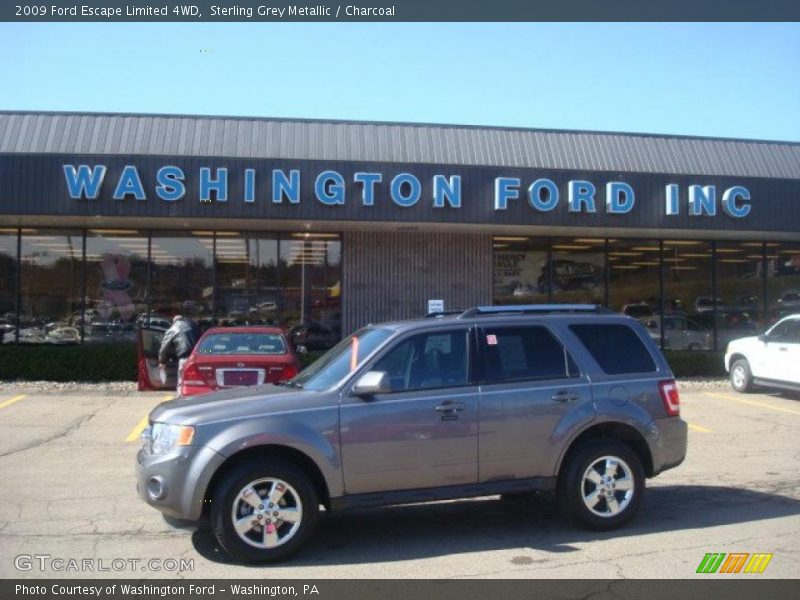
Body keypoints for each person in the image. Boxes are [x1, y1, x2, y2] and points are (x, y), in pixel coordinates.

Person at [158, 315, 198, 388]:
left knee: (181, 382)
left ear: (174, 321)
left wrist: (162, 361)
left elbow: (164, 347)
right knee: (197, 382)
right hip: (197, 358)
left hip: (184, 358)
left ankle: (181, 397)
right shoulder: (193, 326)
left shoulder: (173, 329)